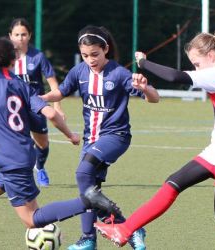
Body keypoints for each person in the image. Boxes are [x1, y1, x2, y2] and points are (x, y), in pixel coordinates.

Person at [91, 27, 215, 250]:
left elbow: (174, 76)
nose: (196, 69)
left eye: (197, 64)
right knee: (173, 182)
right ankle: (124, 230)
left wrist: (143, 63)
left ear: (211, 56)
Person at [0, 37, 122, 250]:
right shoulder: (21, 85)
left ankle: (89, 201)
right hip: (16, 157)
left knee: (31, 219)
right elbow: (50, 114)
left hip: (11, 161)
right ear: (14, 60)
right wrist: (69, 135)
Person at [40, 25, 160, 250]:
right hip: (90, 139)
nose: (90, 59)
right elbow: (61, 92)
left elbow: (154, 98)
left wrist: (145, 89)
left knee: (82, 173)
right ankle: (92, 238)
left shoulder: (119, 74)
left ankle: (121, 226)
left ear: (105, 49)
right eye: (85, 55)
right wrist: (41, 97)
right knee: (88, 187)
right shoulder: (79, 72)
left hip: (115, 136)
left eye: (95, 54)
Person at [8, 18, 64, 187]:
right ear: (10, 36)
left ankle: (40, 167)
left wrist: (57, 107)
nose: (20, 38)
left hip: (36, 105)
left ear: (30, 35)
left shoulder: (38, 57)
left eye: (23, 34)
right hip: (14, 107)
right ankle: (19, 175)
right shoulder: (5, 57)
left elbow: (54, 85)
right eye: (16, 34)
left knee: (42, 144)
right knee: (17, 143)